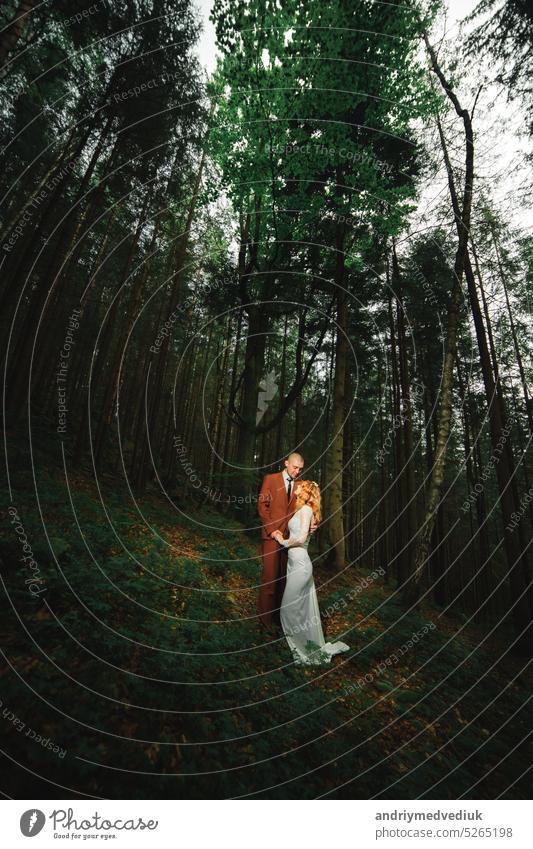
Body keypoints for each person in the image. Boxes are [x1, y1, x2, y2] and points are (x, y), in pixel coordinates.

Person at [272, 480, 349, 665]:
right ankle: (303, 643)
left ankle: (299, 648)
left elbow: (301, 538)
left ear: (306, 491)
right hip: (294, 563)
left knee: (288, 608)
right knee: (300, 609)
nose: (297, 486)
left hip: (300, 564)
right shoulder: (301, 510)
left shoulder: (306, 510)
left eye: (301, 485)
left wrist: (281, 539)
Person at [257, 453, 305, 630]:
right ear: (286, 463)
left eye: (300, 469)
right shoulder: (271, 479)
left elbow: (309, 507)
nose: (297, 471)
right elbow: (262, 506)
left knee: (283, 580)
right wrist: (272, 530)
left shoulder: (301, 485)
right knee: (269, 578)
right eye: (294, 467)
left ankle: (278, 620)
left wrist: (312, 525)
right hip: (271, 536)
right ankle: (264, 622)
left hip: (290, 539)